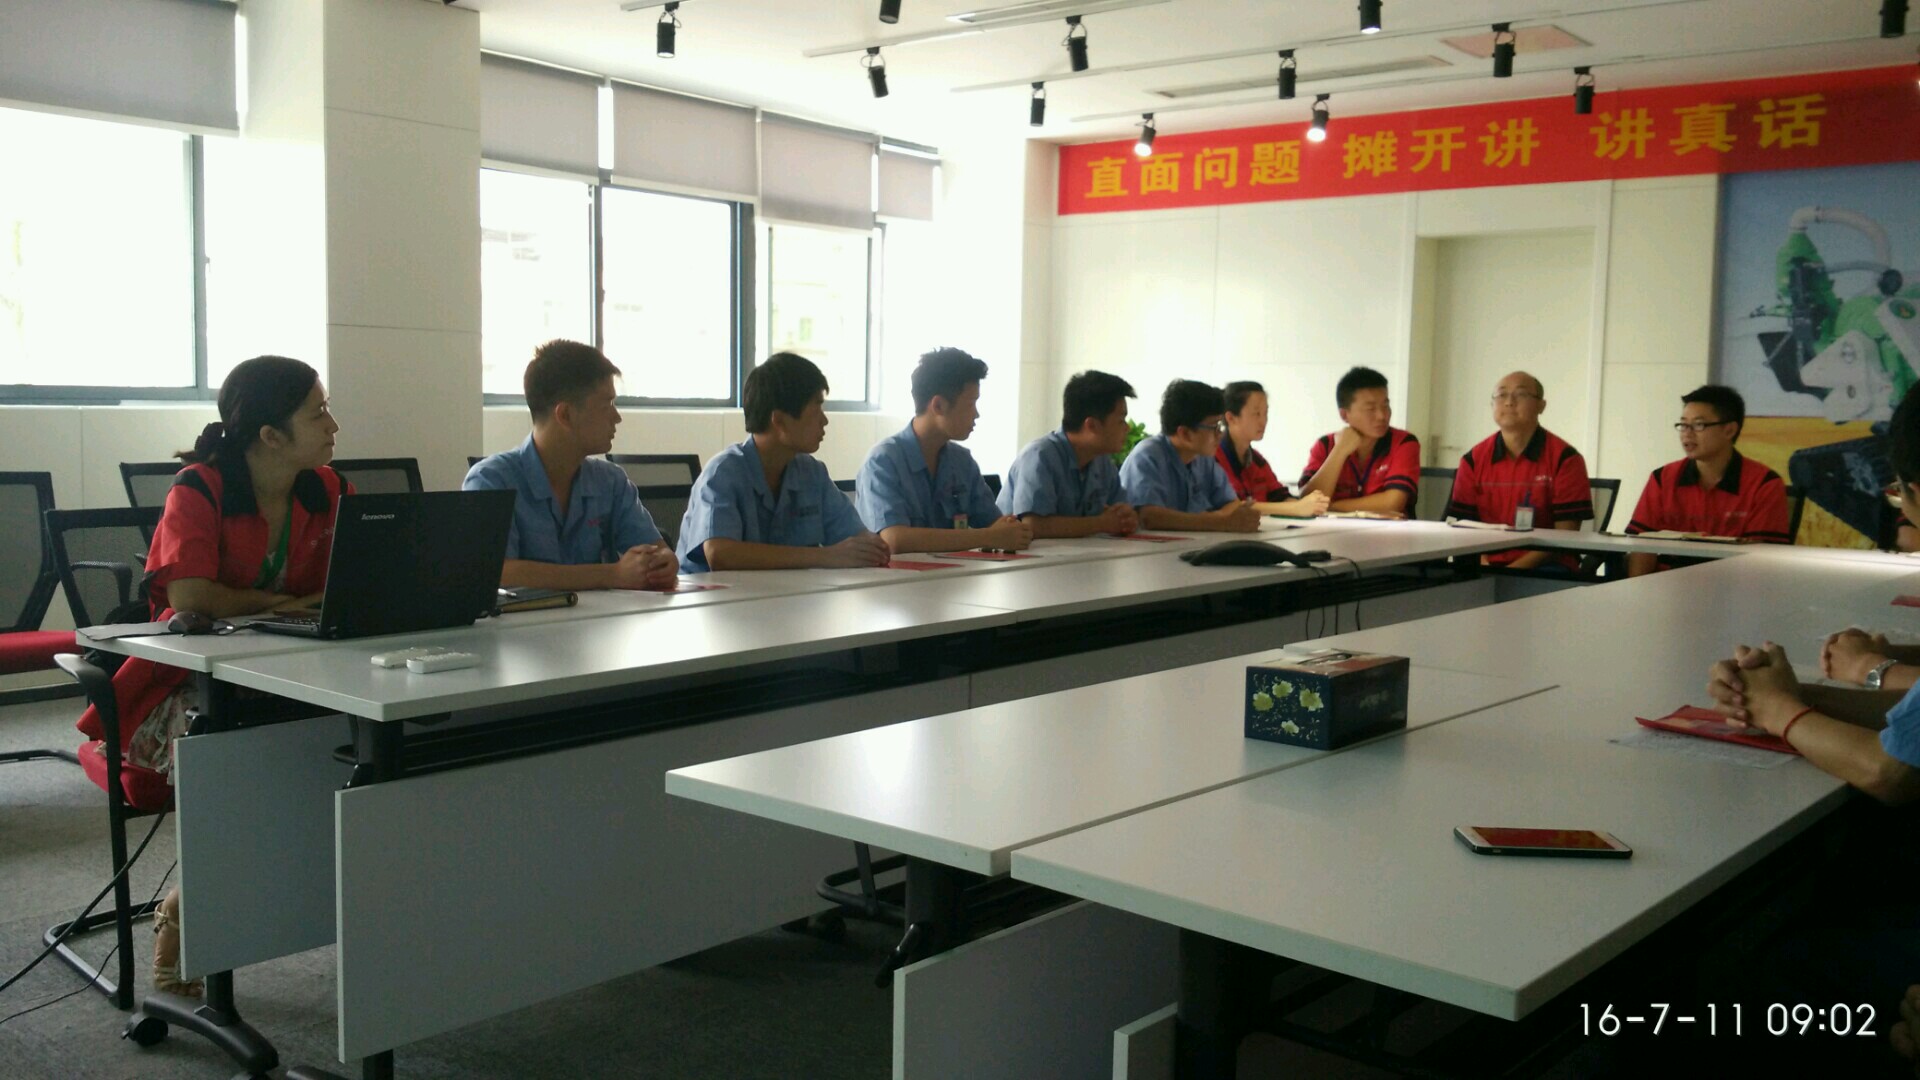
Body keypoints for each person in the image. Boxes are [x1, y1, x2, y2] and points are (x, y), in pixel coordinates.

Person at [73, 356, 349, 998]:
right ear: (270, 435)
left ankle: (202, 902)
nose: (333, 425)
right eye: (318, 413)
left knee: (349, 752)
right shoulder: (199, 489)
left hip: (295, 669)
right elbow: (193, 596)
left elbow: (356, 579)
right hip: (188, 682)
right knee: (258, 765)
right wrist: (287, 605)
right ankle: (187, 907)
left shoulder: (328, 489)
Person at [464, 339, 677, 591]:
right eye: (607, 404)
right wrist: (611, 575)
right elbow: (495, 572)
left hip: (603, 615)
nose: (617, 417)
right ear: (565, 415)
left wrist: (663, 562)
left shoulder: (611, 481)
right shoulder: (491, 480)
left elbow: (659, 551)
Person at [676, 352, 889, 572]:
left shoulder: (812, 473)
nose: (824, 420)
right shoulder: (723, 473)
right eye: (816, 408)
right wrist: (825, 556)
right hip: (713, 593)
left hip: (782, 591)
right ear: (779, 420)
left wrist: (871, 548)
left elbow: (859, 538)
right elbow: (720, 554)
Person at [855, 347, 1032, 554]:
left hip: (955, 571)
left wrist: (1010, 529)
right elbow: (895, 540)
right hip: (899, 574)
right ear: (938, 405)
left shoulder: (962, 461)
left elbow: (995, 524)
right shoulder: (883, 461)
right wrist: (988, 537)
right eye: (971, 404)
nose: (976, 414)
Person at [1625, 384, 1790, 576]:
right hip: (1667, 584)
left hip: (1732, 585)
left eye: (1699, 425)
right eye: (1683, 425)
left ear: (1729, 430)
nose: (1687, 433)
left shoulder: (1764, 484)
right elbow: (1642, 545)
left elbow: (1761, 563)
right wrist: (1636, 589)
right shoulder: (1662, 478)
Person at [1443, 371, 1593, 570]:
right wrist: (1485, 564)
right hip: (1484, 563)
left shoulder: (1565, 459)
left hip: (1546, 565)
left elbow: (1565, 535)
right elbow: (1463, 528)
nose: (1509, 402)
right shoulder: (1473, 460)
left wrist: (1513, 570)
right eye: (1501, 395)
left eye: (1521, 394)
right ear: (1491, 404)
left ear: (1541, 406)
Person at [997, 370, 1141, 538]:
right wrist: (1102, 523)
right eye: (1120, 420)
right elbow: (1033, 525)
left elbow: (1120, 513)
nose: (1127, 428)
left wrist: (1127, 518)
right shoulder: (1039, 457)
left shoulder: (1102, 462)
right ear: (1092, 425)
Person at [1119, 379, 1261, 532]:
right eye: (1214, 427)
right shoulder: (1147, 456)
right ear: (1185, 433)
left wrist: (1223, 518)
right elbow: (1150, 517)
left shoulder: (1203, 459)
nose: (1220, 434)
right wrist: (1220, 522)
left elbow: (1231, 504)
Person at [1298, 366, 1421, 517]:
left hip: (1390, 529)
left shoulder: (1403, 443)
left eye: (1385, 405)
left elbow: (1393, 503)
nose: (1382, 416)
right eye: (1370, 409)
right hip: (1333, 529)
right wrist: (1339, 451)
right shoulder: (1325, 445)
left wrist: (1330, 506)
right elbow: (1307, 500)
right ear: (1344, 415)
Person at [1216, 381, 1329, 518]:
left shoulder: (1257, 461)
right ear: (1231, 418)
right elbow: (1230, 506)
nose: (1263, 421)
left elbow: (1279, 496)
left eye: (1265, 413)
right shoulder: (1213, 459)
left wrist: (1310, 504)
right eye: (1256, 414)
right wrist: (1296, 507)